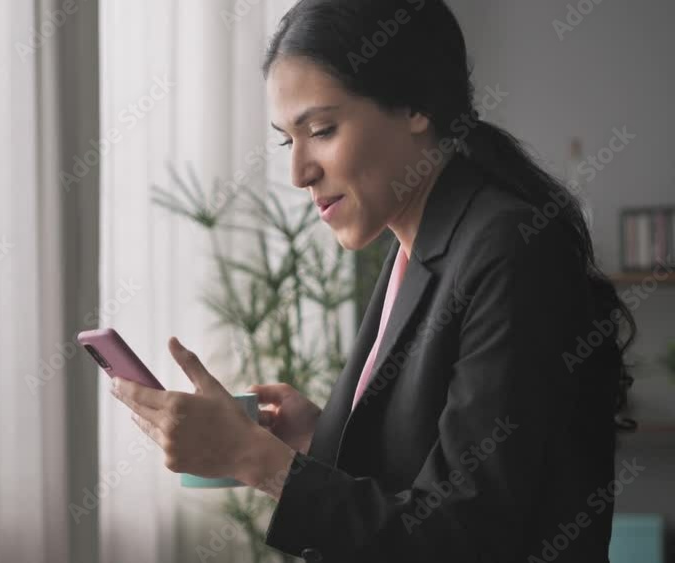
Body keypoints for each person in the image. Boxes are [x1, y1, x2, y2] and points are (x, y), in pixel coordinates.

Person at [109, 0, 637, 561]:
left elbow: (466, 536)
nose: (298, 172)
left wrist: (253, 460)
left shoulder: (508, 247)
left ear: (414, 105)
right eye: (290, 141)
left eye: (322, 130)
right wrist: (324, 436)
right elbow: (432, 469)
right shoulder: (416, 244)